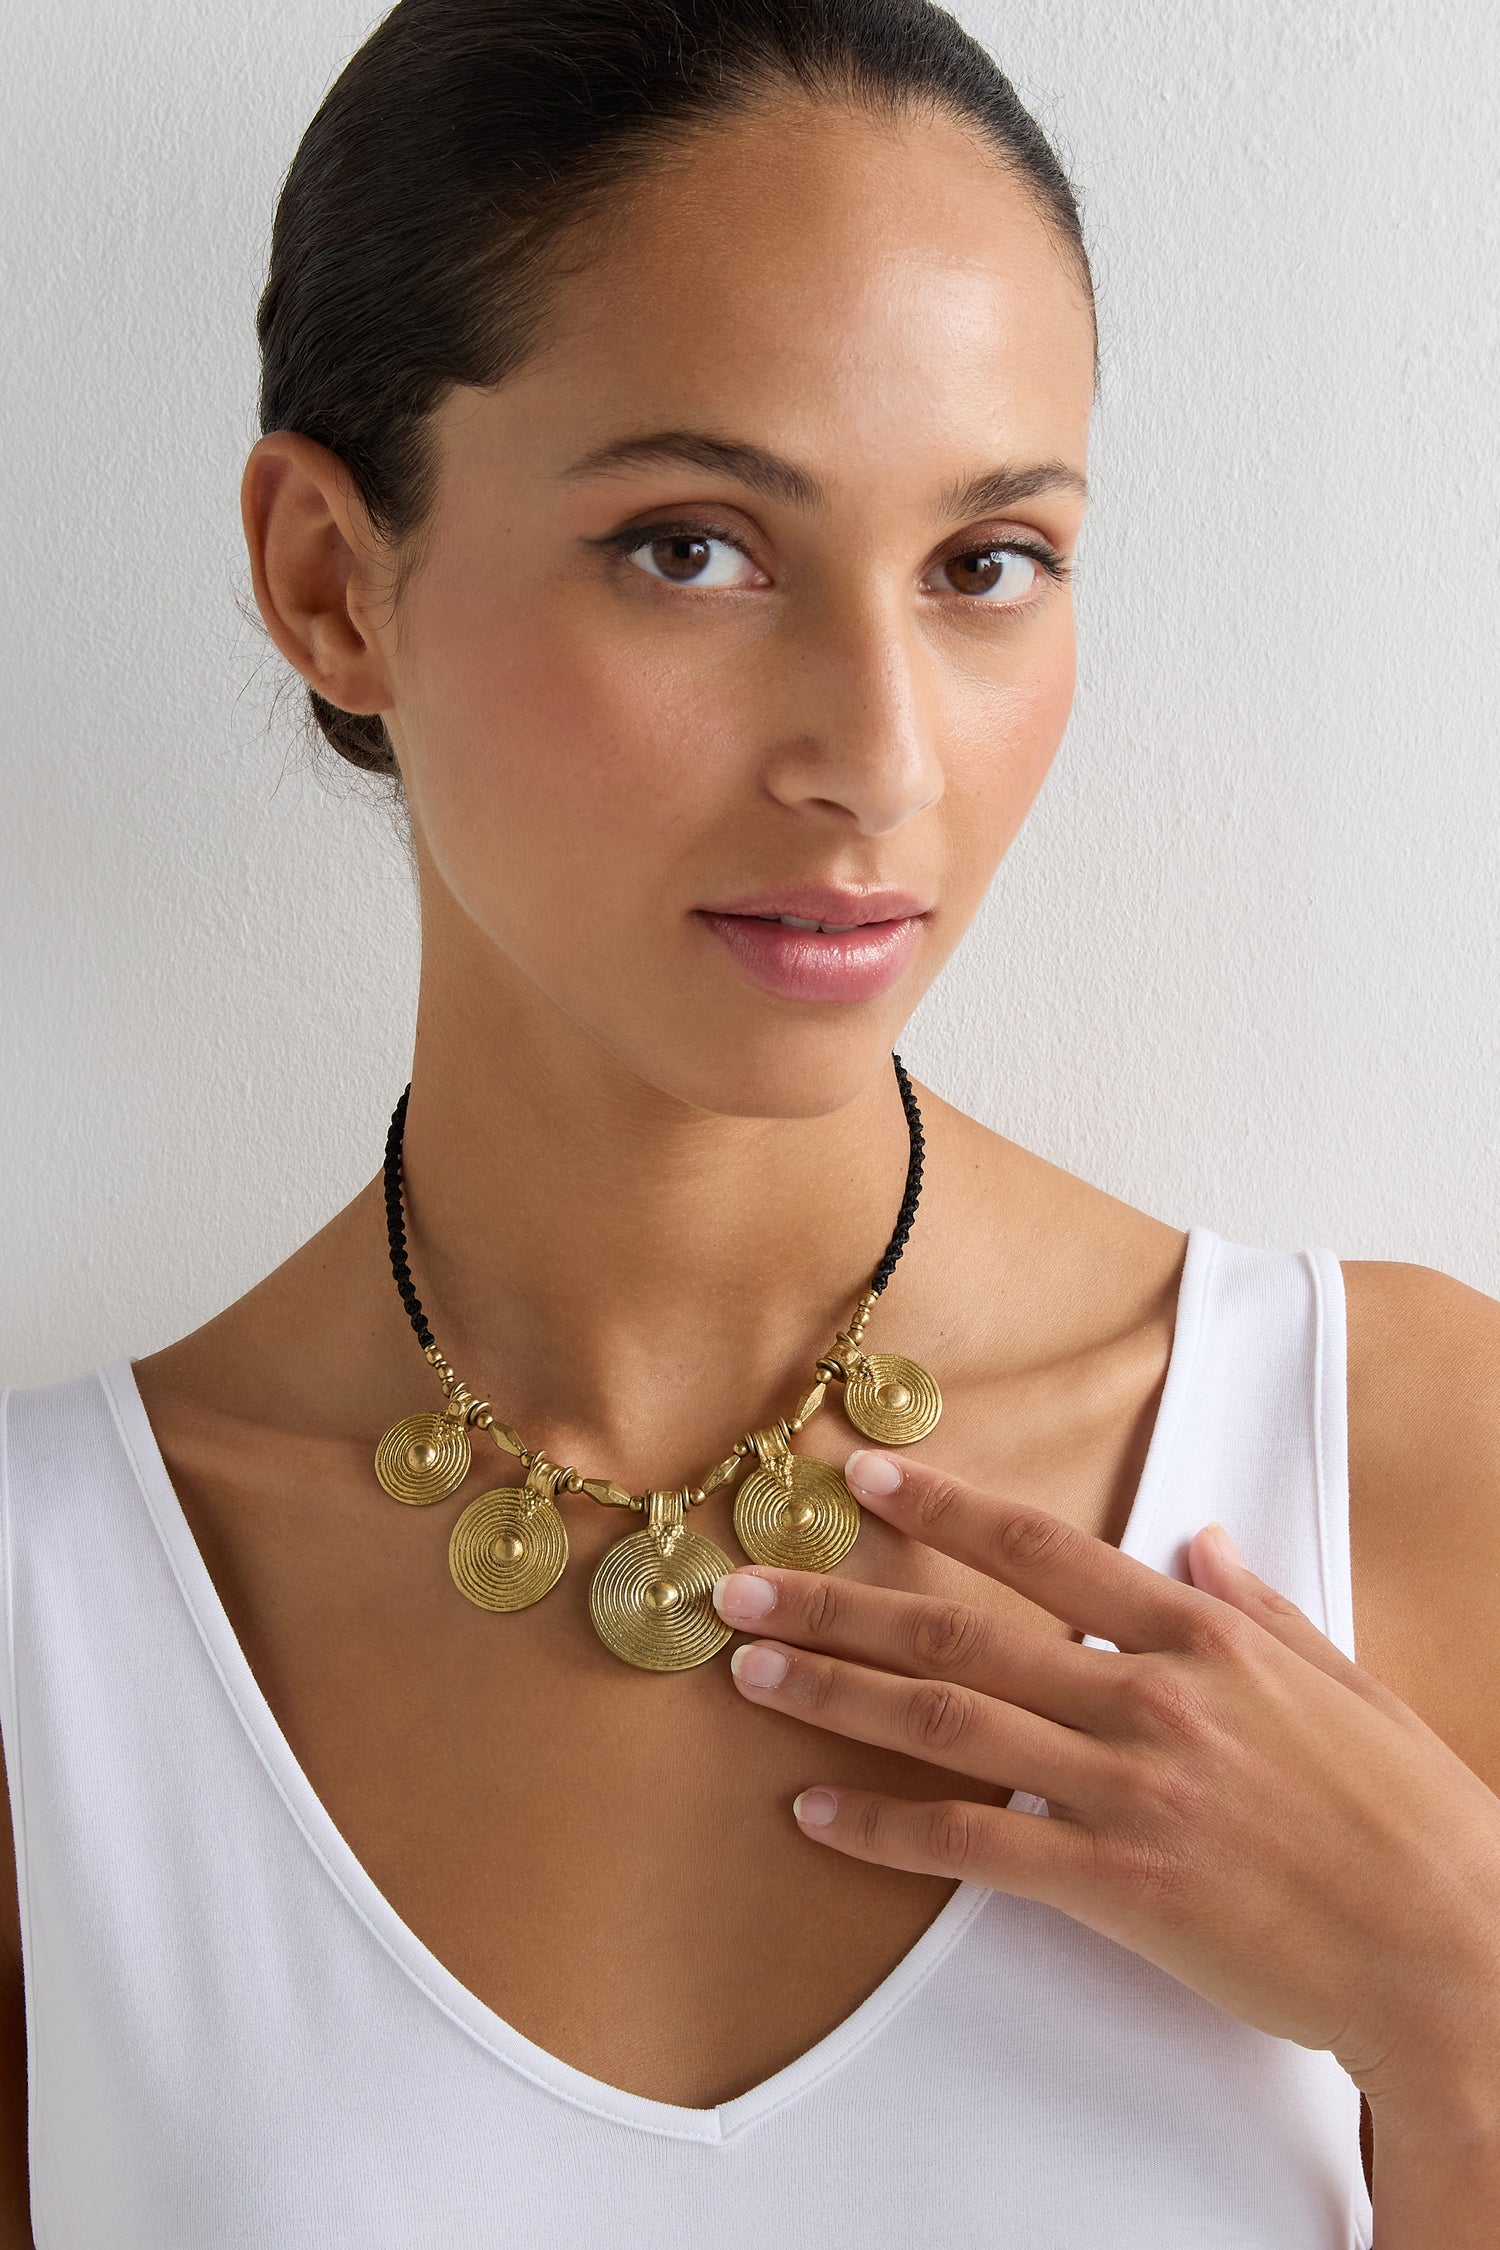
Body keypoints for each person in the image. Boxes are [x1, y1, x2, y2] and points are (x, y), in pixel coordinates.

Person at [1, 0, 1497, 2241]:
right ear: (333, 580)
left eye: (986, 561)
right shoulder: (44, 1640)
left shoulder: (1404, 1470)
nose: (877, 757)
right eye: (694, 546)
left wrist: (1466, 2026)